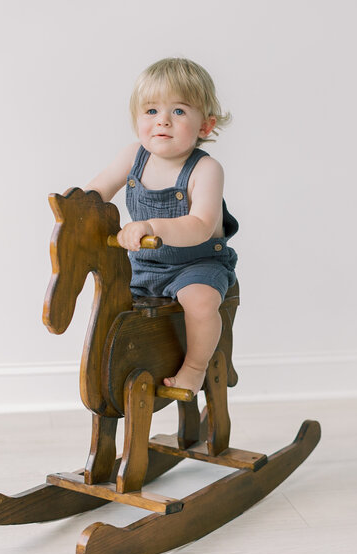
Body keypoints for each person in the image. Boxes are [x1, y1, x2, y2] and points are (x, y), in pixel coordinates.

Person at [85, 57, 238, 395]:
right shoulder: (132, 156)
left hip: (197, 264)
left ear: (205, 126)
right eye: (151, 111)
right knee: (108, 301)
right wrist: (77, 206)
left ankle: (195, 368)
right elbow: (97, 192)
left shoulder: (206, 169)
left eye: (179, 111)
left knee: (199, 301)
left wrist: (151, 225)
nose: (163, 122)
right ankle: (113, 375)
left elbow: (200, 225)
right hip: (143, 264)